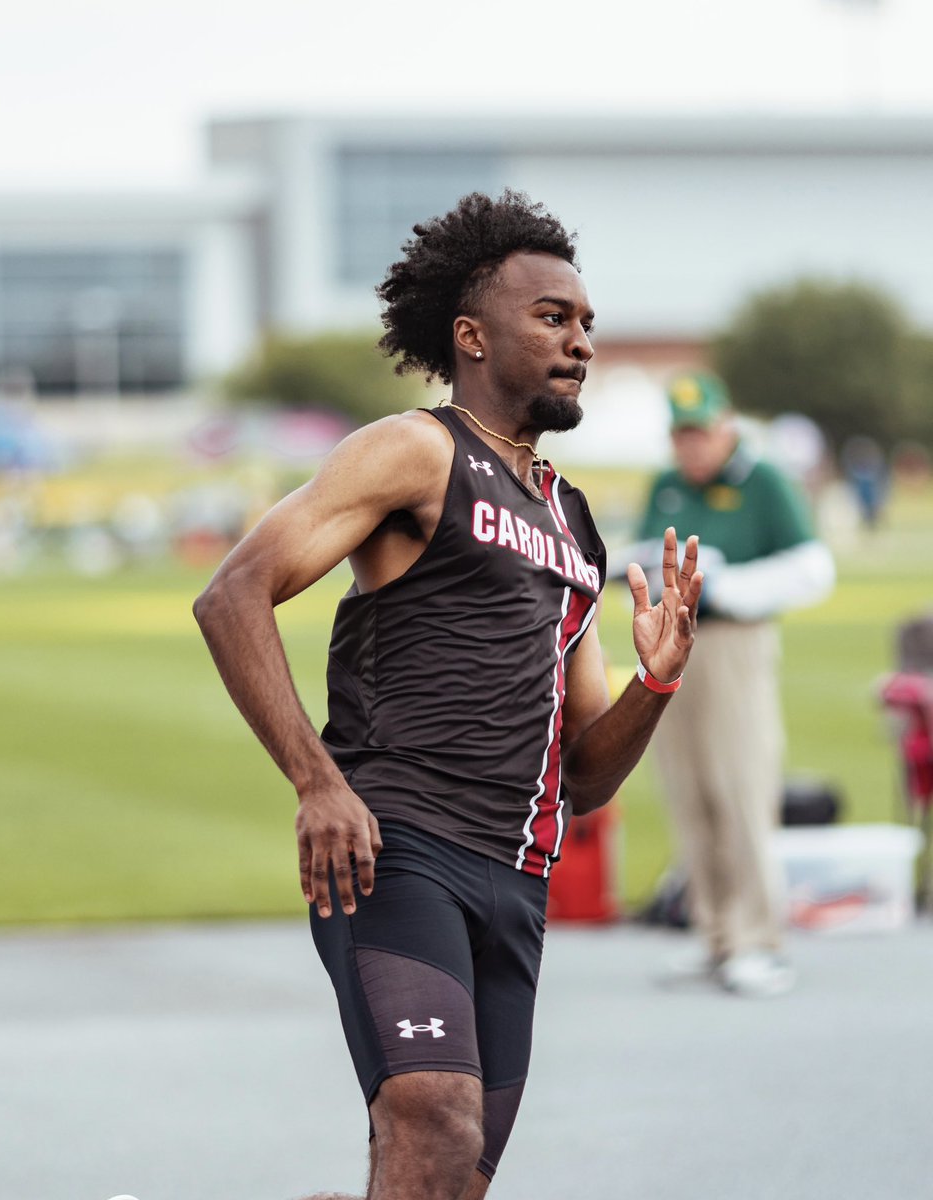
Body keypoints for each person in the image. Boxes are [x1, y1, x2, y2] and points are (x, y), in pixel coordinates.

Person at [193, 190, 702, 1200]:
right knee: (433, 1113)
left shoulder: (575, 526)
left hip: (515, 880)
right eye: (552, 317)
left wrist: (656, 682)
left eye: (587, 324)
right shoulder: (419, 451)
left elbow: (585, 775)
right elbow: (233, 593)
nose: (581, 343)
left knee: (446, 1178)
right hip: (400, 846)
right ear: (472, 335)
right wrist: (319, 782)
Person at [631, 370, 835, 999]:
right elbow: (643, 549)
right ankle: (716, 933)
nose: (692, 447)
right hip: (670, 646)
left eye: (702, 432)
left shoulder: (763, 482)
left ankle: (758, 939)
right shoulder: (666, 486)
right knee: (688, 787)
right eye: (682, 435)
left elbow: (811, 568)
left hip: (734, 641)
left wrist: (727, 586)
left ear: (726, 427)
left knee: (739, 784)